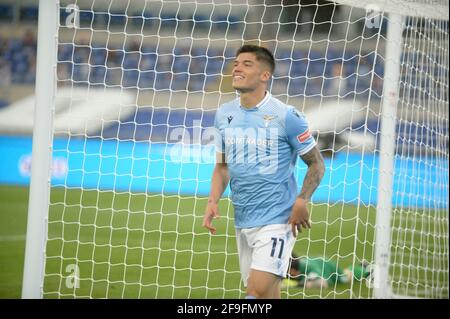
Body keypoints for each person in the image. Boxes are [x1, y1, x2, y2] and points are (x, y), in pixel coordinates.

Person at [202, 44, 325, 299]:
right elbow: (222, 166)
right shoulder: (225, 113)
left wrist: (302, 200)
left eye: (247, 64)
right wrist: (213, 200)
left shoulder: (287, 116)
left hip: (278, 220)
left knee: (255, 293)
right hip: (244, 219)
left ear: (264, 75)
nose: (237, 67)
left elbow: (316, 163)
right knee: (269, 296)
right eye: (236, 62)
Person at [283, 253, 372, 289]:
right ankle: (360, 266)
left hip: (329, 267)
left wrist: (297, 285)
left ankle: (365, 269)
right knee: (346, 273)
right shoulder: (296, 266)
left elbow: (322, 283)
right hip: (320, 262)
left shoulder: (309, 269)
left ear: (293, 270)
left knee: (345, 278)